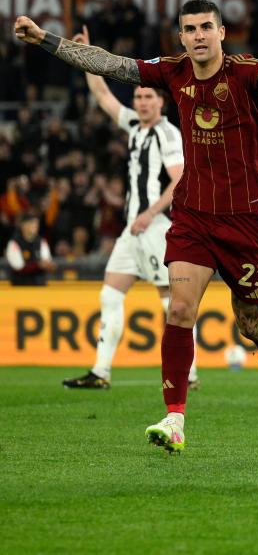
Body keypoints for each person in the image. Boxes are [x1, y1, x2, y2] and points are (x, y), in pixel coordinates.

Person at [14, 0, 258, 453]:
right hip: (193, 214)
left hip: (246, 218)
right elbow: (110, 63)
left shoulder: (243, 73)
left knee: (251, 322)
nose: (198, 36)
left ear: (222, 32)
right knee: (179, 311)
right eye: (189, 29)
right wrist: (45, 40)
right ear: (181, 36)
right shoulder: (173, 72)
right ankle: (174, 420)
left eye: (206, 27)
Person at [61, 26, 194, 391]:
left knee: (169, 300)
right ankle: (101, 372)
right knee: (110, 294)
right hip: (132, 229)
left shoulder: (167, 133)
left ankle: (190, 372)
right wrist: (86, 56)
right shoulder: (135, 126)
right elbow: (103, 95)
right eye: (138, 96)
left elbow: (180, 179)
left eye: (148, 96)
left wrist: (150, 214)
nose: (142, 102)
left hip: (155, 226)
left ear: (160, 102)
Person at [5, 212, 54, 285]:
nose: (35, 226)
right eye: (32, 223)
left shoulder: (41, 242)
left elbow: (46, 260)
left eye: (36, 223)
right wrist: (38, 265)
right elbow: (19, 267)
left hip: (39, 284)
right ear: (23, 225)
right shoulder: (14, 243)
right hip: (20, 286)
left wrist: (48, 265)